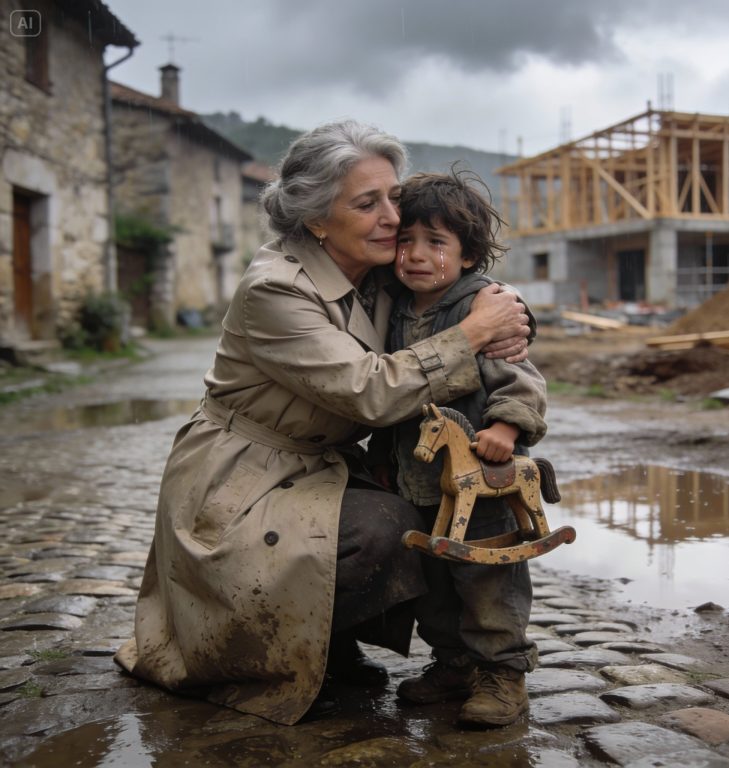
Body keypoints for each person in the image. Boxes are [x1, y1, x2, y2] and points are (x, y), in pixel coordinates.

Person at [114, 120, 533, 726]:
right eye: (368, 203)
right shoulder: (275, 290)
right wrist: (476, 332)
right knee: (381, 530)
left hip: (321, 465)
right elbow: (369, 392)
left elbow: (459, 282)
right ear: (315, 220)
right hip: (243, 474)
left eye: (394, 195)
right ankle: (277, 648)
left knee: (419, 509)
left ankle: (353, 645)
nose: (393, 217)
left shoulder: (379, 266)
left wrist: (513, 315)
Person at [368, 169, 547, 727]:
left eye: (436, 243)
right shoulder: (394, 305)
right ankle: (453, 664)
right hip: (416, 483)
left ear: (469, 256)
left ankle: (502, 674)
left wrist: (506, 430)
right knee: (435, 587)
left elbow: (522, 379)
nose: (416, 255)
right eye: (406, 241)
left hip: (482, 482)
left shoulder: (483, 308)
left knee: (488, 583)